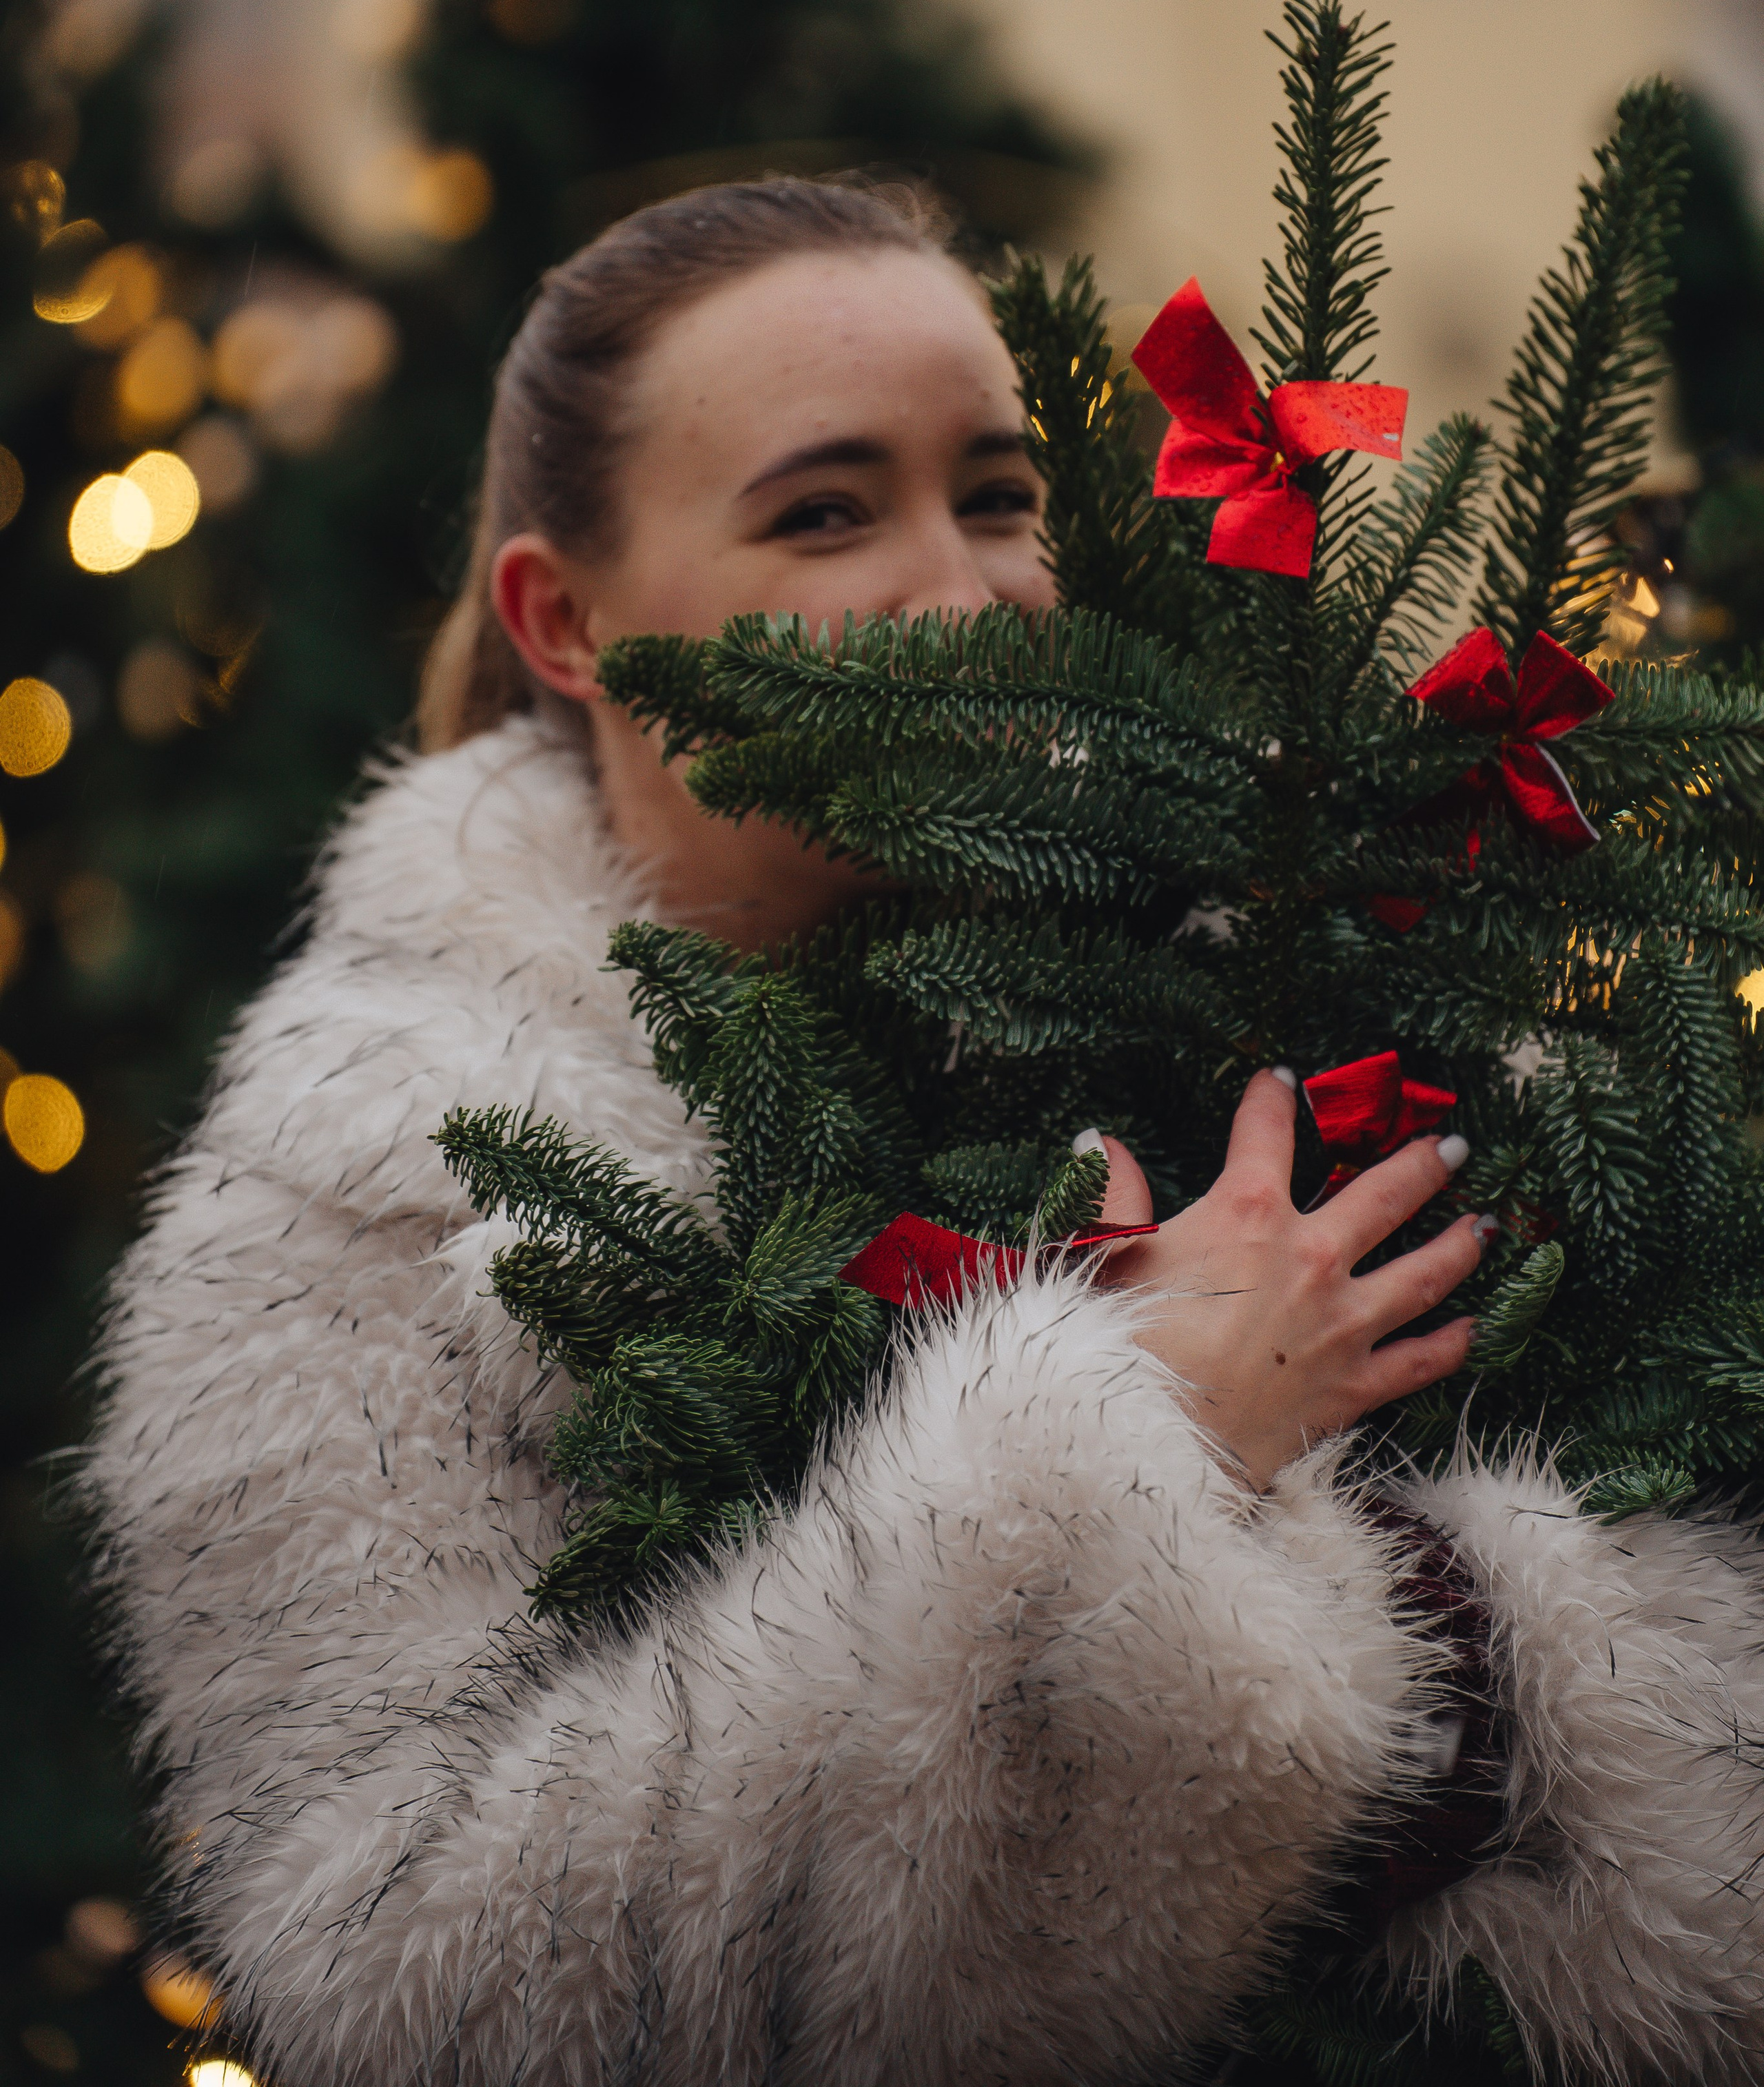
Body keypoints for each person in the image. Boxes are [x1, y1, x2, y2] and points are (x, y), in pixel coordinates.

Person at [91, 179, 1764, 2087]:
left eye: (995, 493)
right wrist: (1114, 1452)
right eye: (823, 510)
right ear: (567, 619)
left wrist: (1463, 1630)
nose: (963, 591)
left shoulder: (1298, 987)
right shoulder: (348, 1193)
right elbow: (411, 1993)